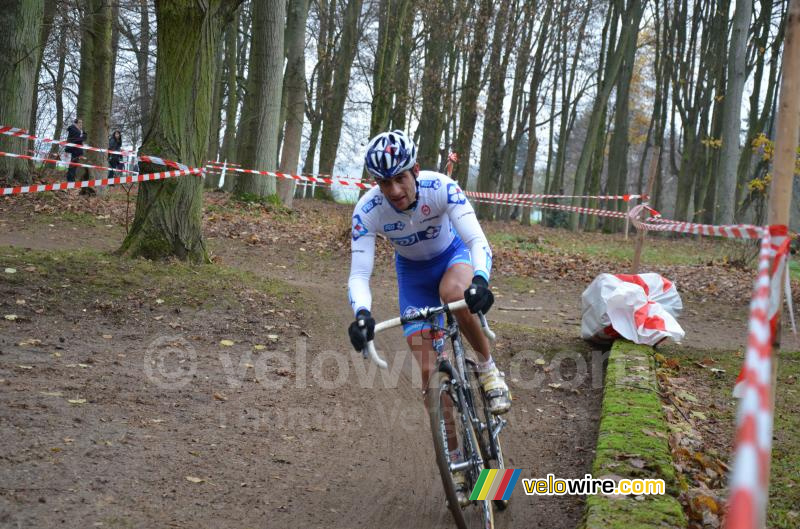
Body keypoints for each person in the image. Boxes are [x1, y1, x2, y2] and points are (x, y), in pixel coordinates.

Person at [346, 130, 511, 506]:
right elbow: (359, 274)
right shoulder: (367, 211)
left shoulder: (442, 187)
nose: (393, 190)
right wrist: (362, 315)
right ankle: (456, 458)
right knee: (428, 371)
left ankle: (487, 368)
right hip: (414, 278)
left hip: (453, 259)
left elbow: (477, 242)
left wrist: (481, 281)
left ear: (415, 171)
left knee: (455, 296)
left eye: (400, 178)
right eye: (384, 182)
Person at [64, 118, 87, 183]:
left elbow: (82, 138)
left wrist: (83, 134)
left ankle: (71, 179)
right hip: (74, 149)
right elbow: (79, 139)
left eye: (81, 123)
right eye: (80, 123)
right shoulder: (74, 129)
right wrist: (83, 135)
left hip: (76, 149)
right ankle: (70, 180)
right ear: (76, 123)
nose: (81, 124)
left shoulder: (79, 130)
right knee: (73, 165)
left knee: (74, 165)